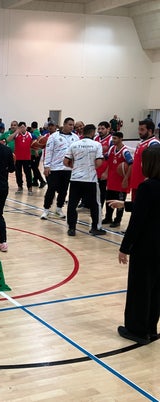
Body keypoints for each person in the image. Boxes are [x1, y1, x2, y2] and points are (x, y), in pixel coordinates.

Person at [108, 146, 160, 345]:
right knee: (156, 289)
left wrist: (124, 247)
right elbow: (152, 206)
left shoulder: (148, 187)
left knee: (140, 288)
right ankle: (151, 328)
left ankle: (137, 330)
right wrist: (126, 204)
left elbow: (137, 221)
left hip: (146, 246)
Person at [64, 124, 106, 236]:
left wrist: (76, 167)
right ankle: (95, 228)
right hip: (90, 179)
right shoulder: (97, 144)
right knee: (95, 204)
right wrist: (90, 168)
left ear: (83, 132)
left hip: (75, 178)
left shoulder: (74, 144)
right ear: (92, 132)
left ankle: (71, 228)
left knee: (72, 204)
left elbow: (65, 162)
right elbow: (99, 162)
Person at [40, 119, 78, 220]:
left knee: (64, 190)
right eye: (70, 124)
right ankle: (46, 209)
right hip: (55, 168)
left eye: (73, 125)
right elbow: (49, 151)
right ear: (64, 124)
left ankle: (59, 208)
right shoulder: (54, 136)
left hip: (68, 169)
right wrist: (46, 166)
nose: (71, 127)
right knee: (51, 189)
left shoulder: (75, 137)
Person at [103, 132, 133, 228]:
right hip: (112, 180)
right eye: (112, 138)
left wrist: (126, 178)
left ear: (121, 139)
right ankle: (108, 218)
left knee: (120, 202)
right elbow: (107, 160)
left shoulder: (125, 151)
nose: (113, 140)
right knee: (109, 200)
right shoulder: (112, 148)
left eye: (115, 138)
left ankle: (117, 220)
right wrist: (106, 172)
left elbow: (131, 164)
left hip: (121, 182)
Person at [128, 120, 160, 201]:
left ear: (150, 130)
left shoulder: (153, 143)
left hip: (145, 183)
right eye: (139, 129)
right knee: (134, 206)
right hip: (136, 182)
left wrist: (149, 178)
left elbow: (155, 163)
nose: (139, 132)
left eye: (142, 130)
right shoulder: (142, 142)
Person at [13, 122, 36, 195]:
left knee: (28, 173)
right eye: (21, 127)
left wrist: (35, 150)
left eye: (23, 127)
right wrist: (16, 131)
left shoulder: (30, 135)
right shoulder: (16, 134)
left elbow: (36, 142)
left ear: (26, 127)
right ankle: (20, 187)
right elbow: (9, 139)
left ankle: (30, 188)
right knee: (18, 173)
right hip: (17, 158)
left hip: (27, 158)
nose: (22, 128)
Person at [95, 121, 113, 215]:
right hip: (95, 170)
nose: (100, 130)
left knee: (102, 191)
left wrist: (106, 172)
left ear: (108, 129)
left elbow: (112, 157)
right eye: (99, 128)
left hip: (104, 170)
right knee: (94, 191)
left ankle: (100, 209)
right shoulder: (96, 138)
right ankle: (93, 208)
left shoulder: (111, 140)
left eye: (102, 128)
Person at [30, 121, 46, 188]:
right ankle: (35, 181)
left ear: (31, 126)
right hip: (38, 152)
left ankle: (42, 181)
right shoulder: (38, 131)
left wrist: (36, 150)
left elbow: (35, 143)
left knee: (34, 168)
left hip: (35, 153)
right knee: (34, 167)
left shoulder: (34, 133)